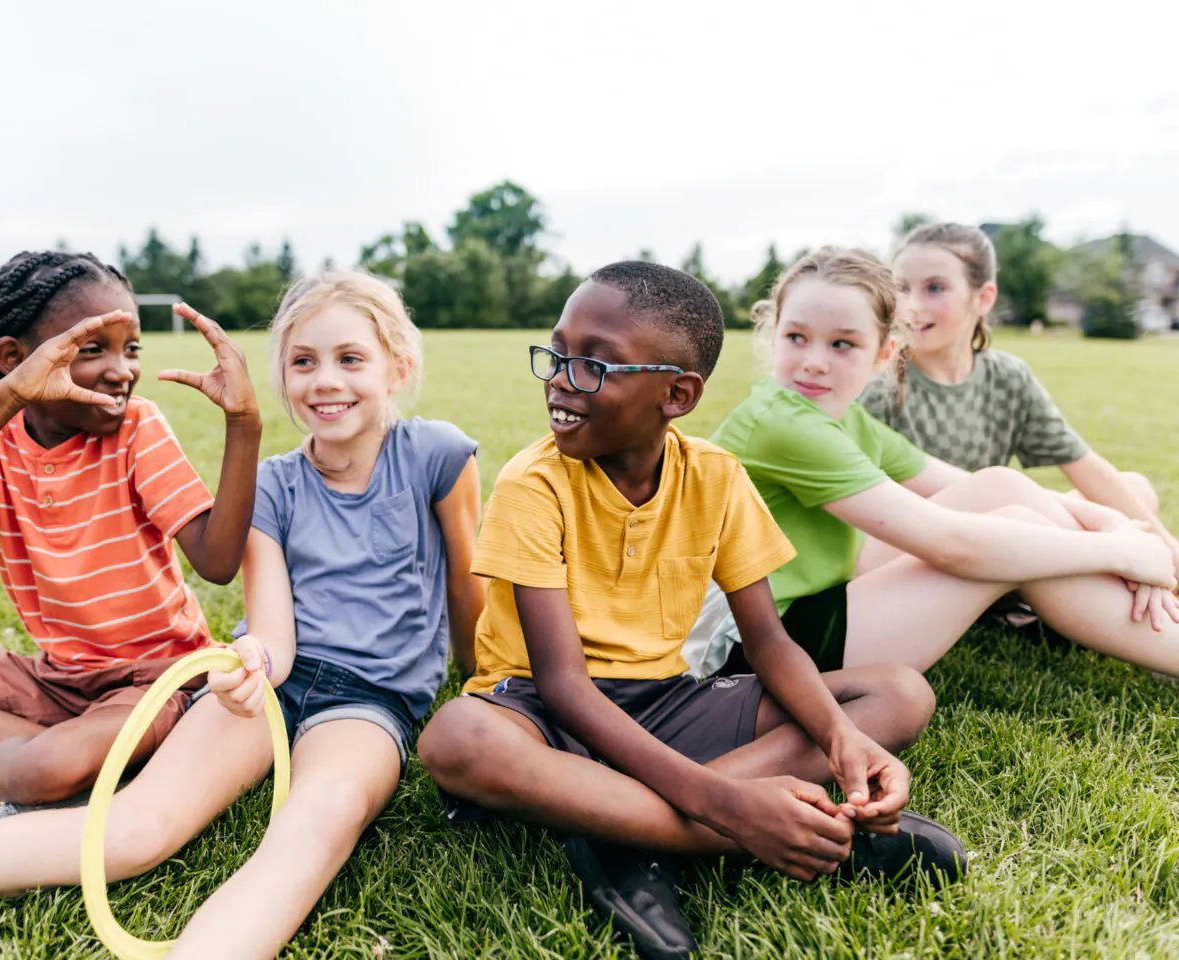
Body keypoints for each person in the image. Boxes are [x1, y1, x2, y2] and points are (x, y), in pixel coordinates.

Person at [418, 261, 965, 960]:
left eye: (596, 364)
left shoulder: (715, 476)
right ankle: (751, 831)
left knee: (894, 693)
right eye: (557, 354)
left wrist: (838, 737)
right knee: (459, 738)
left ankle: (620, 833)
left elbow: (766, 639)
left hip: (666, 703)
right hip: (544, 713)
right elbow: (562, 685)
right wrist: (725, 804)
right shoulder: (534, 483)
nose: (560, 378)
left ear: (677, 395)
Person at [681, 247, 1179, 693]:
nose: (813, 362)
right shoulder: (782, 423)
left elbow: (974, 487)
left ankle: (1151, 611)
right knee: (1016, 533)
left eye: (841, 344)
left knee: (1000, 488)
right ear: (774, 336)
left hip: (800, 602)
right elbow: (950, 545)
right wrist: (1118, 551)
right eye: (797, 337)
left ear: (883, 354)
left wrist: (1113, 524)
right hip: (750, 647)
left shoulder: (843, 417)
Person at [162, 270, 483, 959]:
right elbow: (271, 628)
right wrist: (253, 663)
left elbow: (466, 575)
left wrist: (476, 672)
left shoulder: (437, 454)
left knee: (319, 816)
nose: (325, 380)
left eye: (350, 358)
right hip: (270, 684)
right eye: (303, 362)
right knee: (137, 830)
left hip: (369, 703)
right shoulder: (272, 485)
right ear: (283, 376)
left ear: (397, 368)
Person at [0, 250, 261, 820]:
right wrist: (0, 400)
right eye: (93, 349)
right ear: (15, 358)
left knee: (44, 772)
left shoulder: (137, 428)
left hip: (154, 680)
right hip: (56, 678)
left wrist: (244, 424)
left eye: (131, 347)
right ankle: (35, 742)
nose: (122, 369)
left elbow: (217, 563)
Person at [860, 222, 1179, 580]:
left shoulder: (1008, 377)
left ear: (983, 298)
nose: (913, 305)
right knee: (1023, 514)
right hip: (924, 546)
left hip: (1004, 527)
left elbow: (1084, 465)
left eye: (935, 288)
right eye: (902, 288)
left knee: (1134, 488)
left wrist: (1168, 549)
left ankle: (1126, 558)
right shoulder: (878, 385)